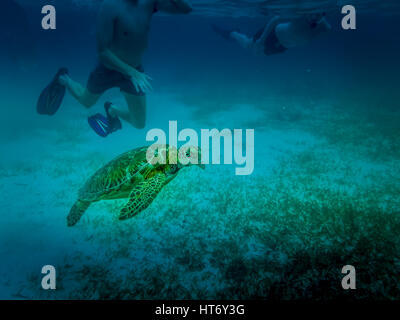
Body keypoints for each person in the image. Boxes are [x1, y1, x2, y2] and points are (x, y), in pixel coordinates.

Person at [37, 0, 192, 137]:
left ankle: (112, 109)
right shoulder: (110, 5)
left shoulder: (149, 3)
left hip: (134, 70)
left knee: (139, 123)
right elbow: (103, 52)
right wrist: (132, 72)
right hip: (108, 69)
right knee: (86, 101)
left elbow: (186, 9)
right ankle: (64, 79)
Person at [212, 13, 331, 56]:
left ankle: (234, 33)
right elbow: (276, 19)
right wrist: (262, 40)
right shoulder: (300, 14)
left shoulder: (323, 26)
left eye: (319, 15)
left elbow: (328, 28)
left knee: (257, 54)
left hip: (282, 47)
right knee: (249, 45)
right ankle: (232, 33)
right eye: (313, 13)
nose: (313, 17)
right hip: (272, 34)